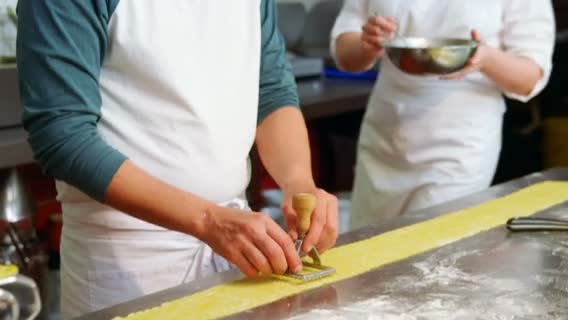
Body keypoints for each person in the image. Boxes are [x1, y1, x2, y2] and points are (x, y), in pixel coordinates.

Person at [16, 1, 339, 318]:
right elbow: (63, 136)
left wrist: (298, 181)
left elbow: (270, 91)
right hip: (128, 263)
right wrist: (208, 220)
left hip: (236, 251)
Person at [331, 0, 555, 230]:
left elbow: (530, 76)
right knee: (367, 244)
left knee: (425, 245)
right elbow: (344, 53)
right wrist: (367, 45)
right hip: (385, 135)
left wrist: (486, 58)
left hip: (459, 143)